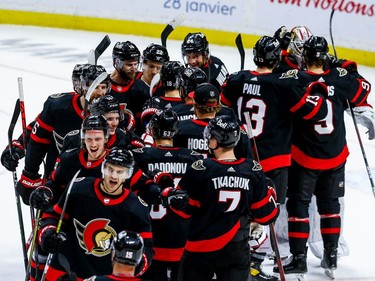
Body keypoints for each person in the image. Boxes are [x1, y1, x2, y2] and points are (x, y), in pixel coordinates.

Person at [220, 35, 328, 281]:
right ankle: (255, 262)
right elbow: (314, 111)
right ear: (276, 58)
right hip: (274, 162)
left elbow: (224, 107)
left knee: (241, 211)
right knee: (266, 213)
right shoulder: (282, 85)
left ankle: (235, 259)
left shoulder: (237, 79)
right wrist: (317, 88)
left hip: (241, 158)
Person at [273, 36, 373, 278]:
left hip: (305, 157)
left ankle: (298, 258)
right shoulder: (340, 78)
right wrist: (347, 66)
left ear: (305, 57)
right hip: (336, 155)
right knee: (330, 206)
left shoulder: (296, 80)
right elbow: (363, 89)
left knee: (299, 207)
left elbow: (273, 86)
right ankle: (331, 255)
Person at [160, 115, 279, 281]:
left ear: (216, 140)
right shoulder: (252, 169)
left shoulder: (201, 168)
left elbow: (183, 211)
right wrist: (271, 194)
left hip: (200, 248)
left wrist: (167, 192)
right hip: (236, 249)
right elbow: (266, 216)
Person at [37, 147, 153, 280]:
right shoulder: (78, 188)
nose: (114, 176)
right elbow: (52, 217)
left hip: (104, 278)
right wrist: (47, 233)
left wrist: (136, 263)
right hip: (64, 271)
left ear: (128, 174)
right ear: (103, 168)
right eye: (110, 169)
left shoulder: (136, 207)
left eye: (120, 172)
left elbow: (147, 249)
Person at [13, 64, 108, 205]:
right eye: (94, 86)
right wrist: (30, 174)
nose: (100, 92)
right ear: (81, 86)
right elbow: (38, 140)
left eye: (103, 87)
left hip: (96, 187)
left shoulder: (110, 112)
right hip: (56, 184)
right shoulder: (58, 107)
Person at [133, 109, 204, 281]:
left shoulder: (139, 156)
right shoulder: (193, 158)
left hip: (148, 239)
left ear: (153, 131)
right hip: (183, 238)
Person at [173, 83, 253, 159]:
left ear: (194, 103)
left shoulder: (179, 128)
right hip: (220, 172)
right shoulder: (234, 132)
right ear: (218, 103)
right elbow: (247, 164)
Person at [108, 41, 150, 134]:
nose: (134, 68)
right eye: (129, 65)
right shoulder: (103, 87)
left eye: (135, 64)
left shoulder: (141, 88)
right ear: (117, 62)